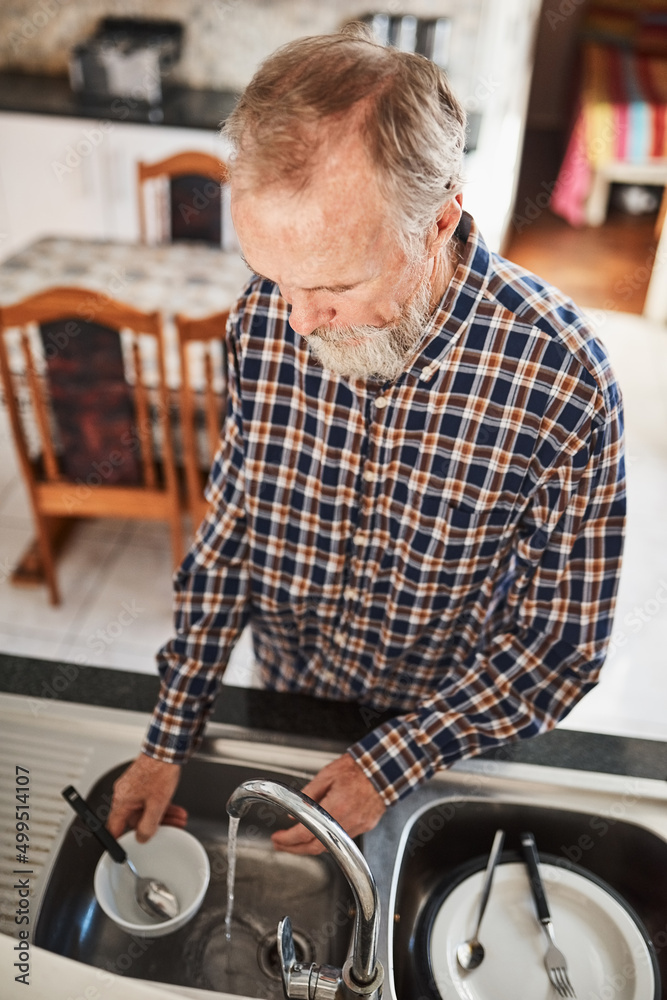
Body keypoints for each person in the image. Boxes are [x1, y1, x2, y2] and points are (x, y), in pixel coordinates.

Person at [108, 25, 626, 855]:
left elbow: (558, 648)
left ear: (439, 221)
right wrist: (169, 734)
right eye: (278, 279)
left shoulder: (563, 381)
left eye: (335, 285)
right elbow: (235, 529)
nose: (298, 321)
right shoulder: (267, 318)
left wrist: (394, 760)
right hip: (283, 699)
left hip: (437, 736)